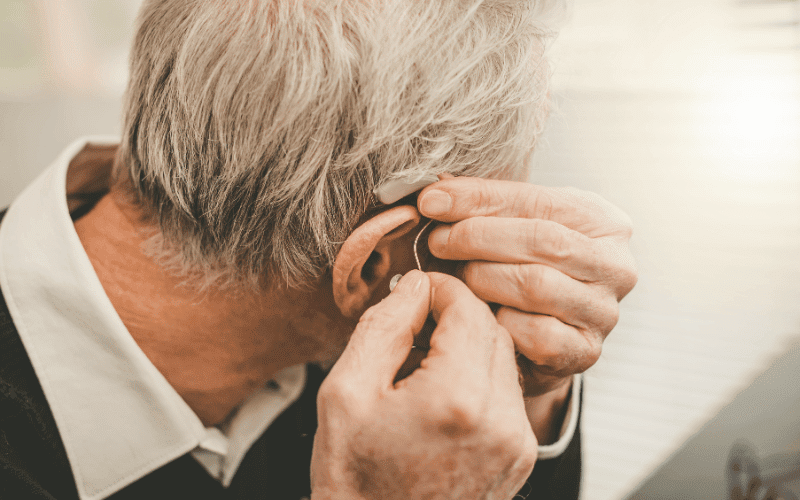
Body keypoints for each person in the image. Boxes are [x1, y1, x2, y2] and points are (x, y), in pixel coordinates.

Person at [0, 0, 637, 499]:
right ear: (374, 264)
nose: (507, 263)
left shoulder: (328, 343)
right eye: (490, 233)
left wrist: (530, 381)